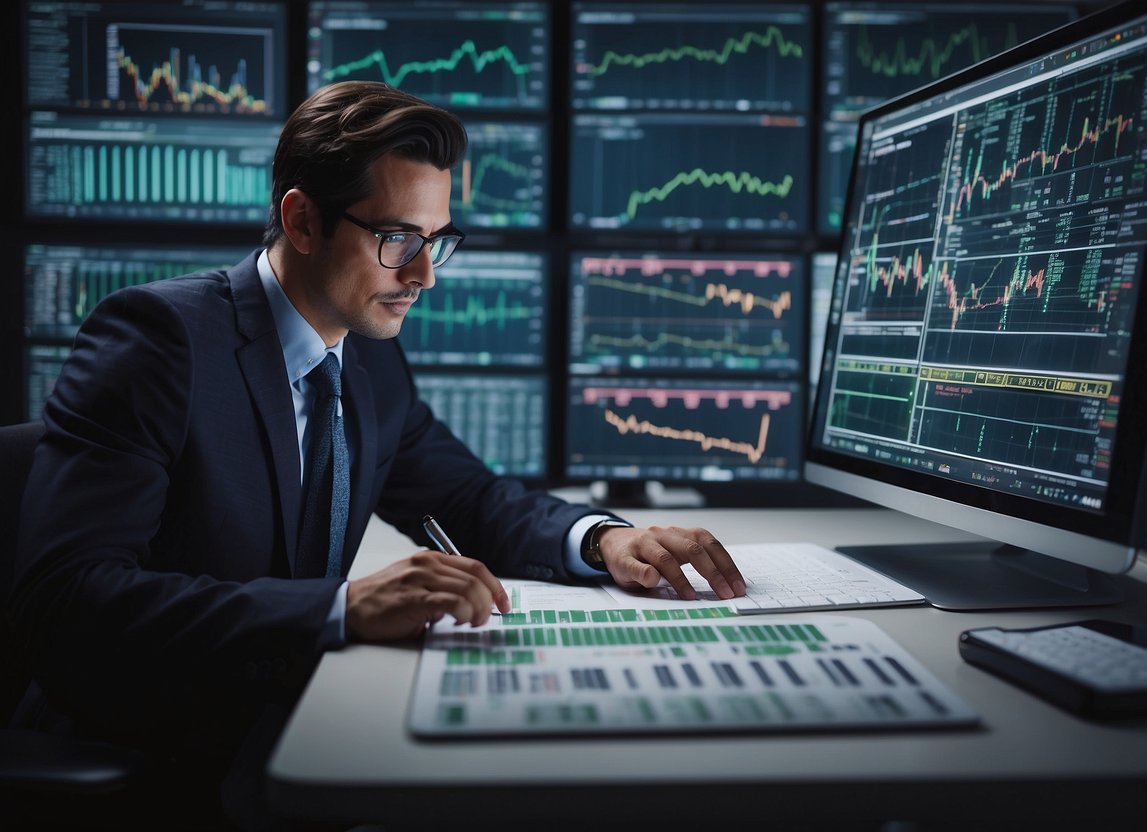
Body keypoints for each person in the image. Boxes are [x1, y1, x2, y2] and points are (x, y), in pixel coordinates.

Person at [8, 80, 745, 829]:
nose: (424, 276)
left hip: (296, 728)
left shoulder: (365, 358)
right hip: (160, 764)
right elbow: (67, 598)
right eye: (398, 240)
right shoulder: (158, 342)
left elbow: (466, 499)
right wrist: (341, 608)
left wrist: (603, 539)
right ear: (302, 220)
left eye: (437, 241)